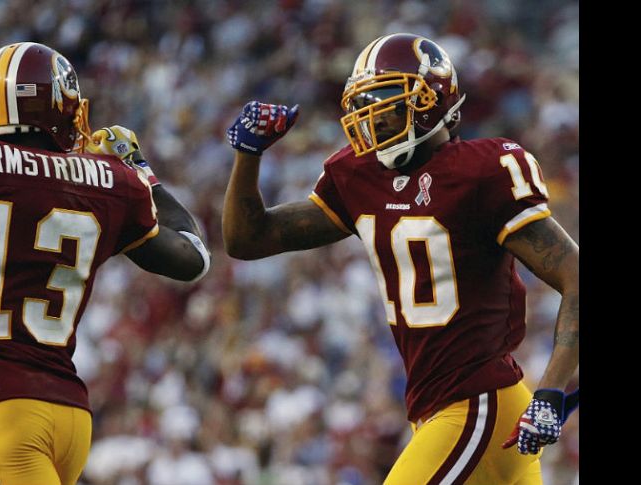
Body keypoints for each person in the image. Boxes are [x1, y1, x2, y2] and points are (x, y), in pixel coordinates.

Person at [223, 33, 578, 484]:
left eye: (387, 101)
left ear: (433, 101)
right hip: (445, 412)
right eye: (363, 103)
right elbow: (248, 240)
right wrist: (247, 155)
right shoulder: (358, 176)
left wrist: (550, 390)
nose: (372, 117)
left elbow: (574, 274)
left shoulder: (482, 170)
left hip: (478, 405)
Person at [0, 42, 210, 485]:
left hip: (1, 406)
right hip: (71, 416)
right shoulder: (113, 181)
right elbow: (192, 258)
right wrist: (140, 168)